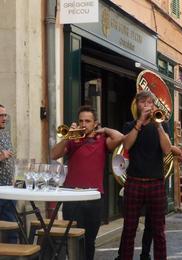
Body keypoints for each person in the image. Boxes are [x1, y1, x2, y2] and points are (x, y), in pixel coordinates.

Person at [50, 105, 123, 260]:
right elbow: (53, 154)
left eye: (88, 121)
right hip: (72, 197)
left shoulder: (102, 140)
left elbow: (120, 137)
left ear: (94, 123)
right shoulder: (71, 140)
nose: (84, 124)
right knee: (73, 240)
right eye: (81, 120)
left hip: (94, 197)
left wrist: (105, 130)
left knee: (89, 241)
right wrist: (67, 136)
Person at [117, 91, 172, 260]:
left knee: (159, 231)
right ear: (137, 105)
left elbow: (167, 149)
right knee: (129, 229)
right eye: (143, 102)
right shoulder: (129, 125)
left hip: (155, 182)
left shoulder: (161, 125)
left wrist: (158, 125)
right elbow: (126, 144)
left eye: (150, 102)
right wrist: (140, 122)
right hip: (134, 181)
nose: (147, 105)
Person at [0, 104, 18, 243]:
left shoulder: (5, 133)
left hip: (8, 188)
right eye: (0, 115)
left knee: (12, 228)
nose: (4, 118)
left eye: (5, 115)